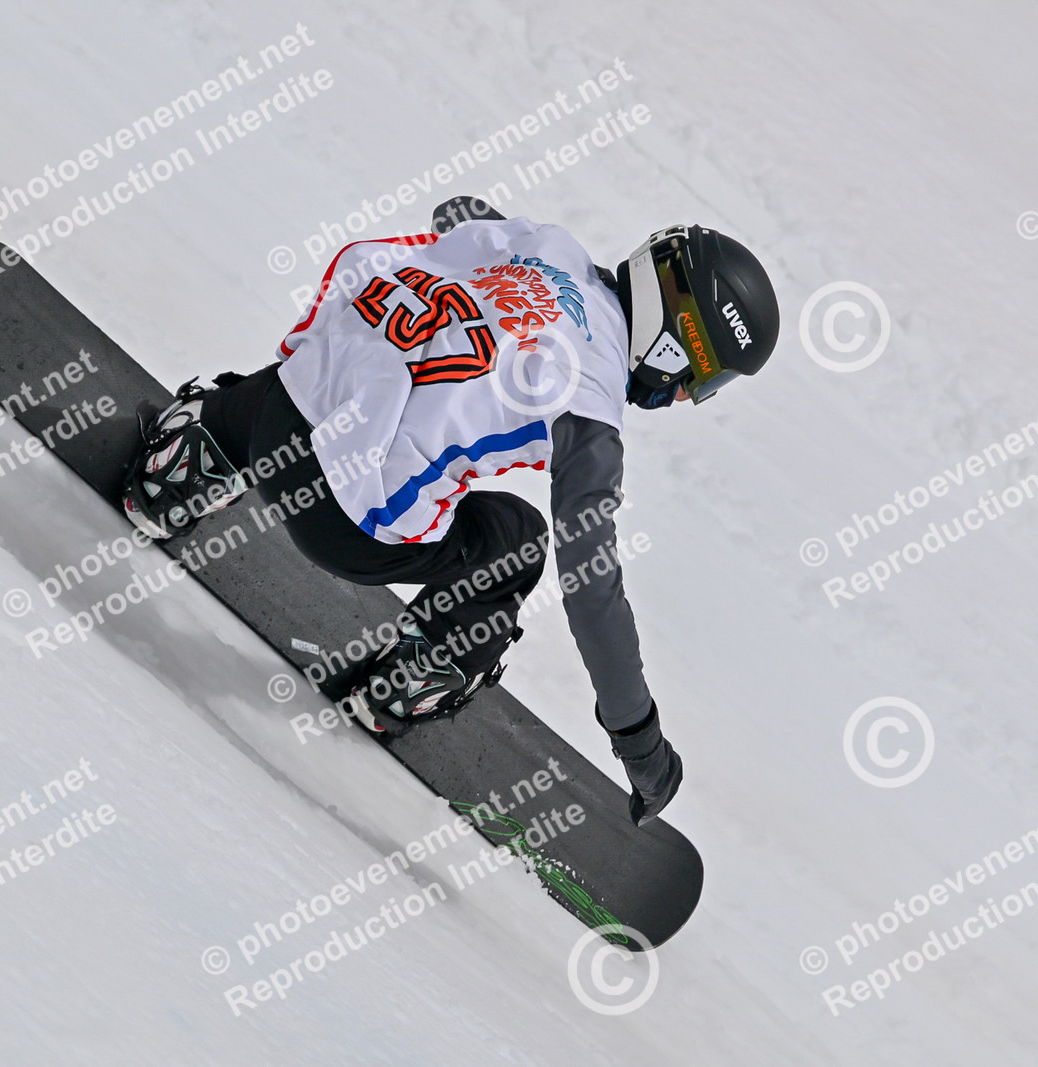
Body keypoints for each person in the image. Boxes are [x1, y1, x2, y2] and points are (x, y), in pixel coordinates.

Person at [120, 197, 779, 824]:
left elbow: (456, 213)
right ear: (677, 345)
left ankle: (185, 465)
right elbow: (591, 585)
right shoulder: (592, 397)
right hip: (342, 526)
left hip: (271, 421)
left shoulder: (545, 245)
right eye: (701, 378)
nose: (686, 395)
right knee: (519, 540)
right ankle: (410, 680)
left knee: (347, 363)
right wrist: (638, 738)